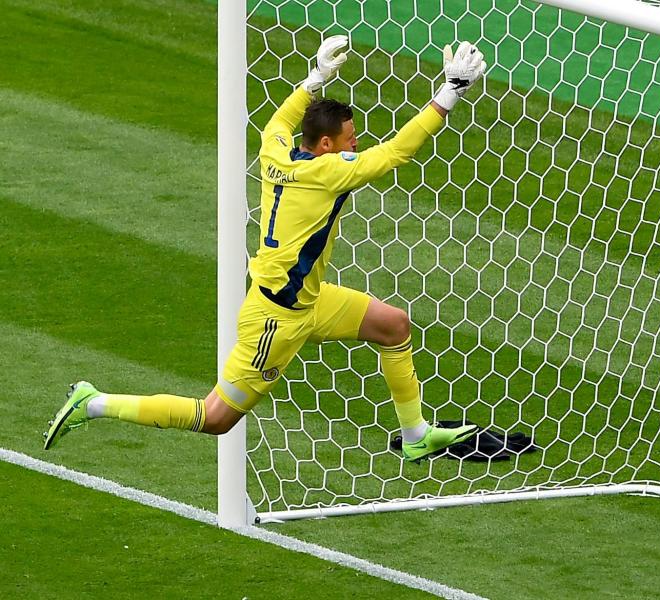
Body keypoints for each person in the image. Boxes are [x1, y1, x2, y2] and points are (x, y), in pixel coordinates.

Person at [44, 36, 486, 462]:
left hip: (309, 300)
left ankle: (414, 436)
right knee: (214, 417)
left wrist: (315, 78)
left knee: (393, 325)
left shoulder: (277, 153)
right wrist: (449, 92)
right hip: (276, 320)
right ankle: (94, 402)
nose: (356, 143)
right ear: (327, 145)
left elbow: (277, 123)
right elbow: (396, 153)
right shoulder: (330, 172)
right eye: (350, 137)